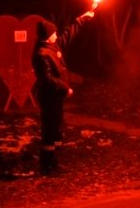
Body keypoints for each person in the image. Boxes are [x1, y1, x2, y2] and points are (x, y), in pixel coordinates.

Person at [32, 10, 94, 174]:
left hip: (56, 95)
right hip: (49, 97)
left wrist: (81, 19)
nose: (56, 34)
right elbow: (47, 79)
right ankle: (47, 165)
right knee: (49, 128)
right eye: (53, 33)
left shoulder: (52, 46)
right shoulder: (41, 54)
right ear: (48, 36)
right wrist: (65, 88)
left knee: (56, 126)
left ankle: (54, 161)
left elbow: (68, 34)